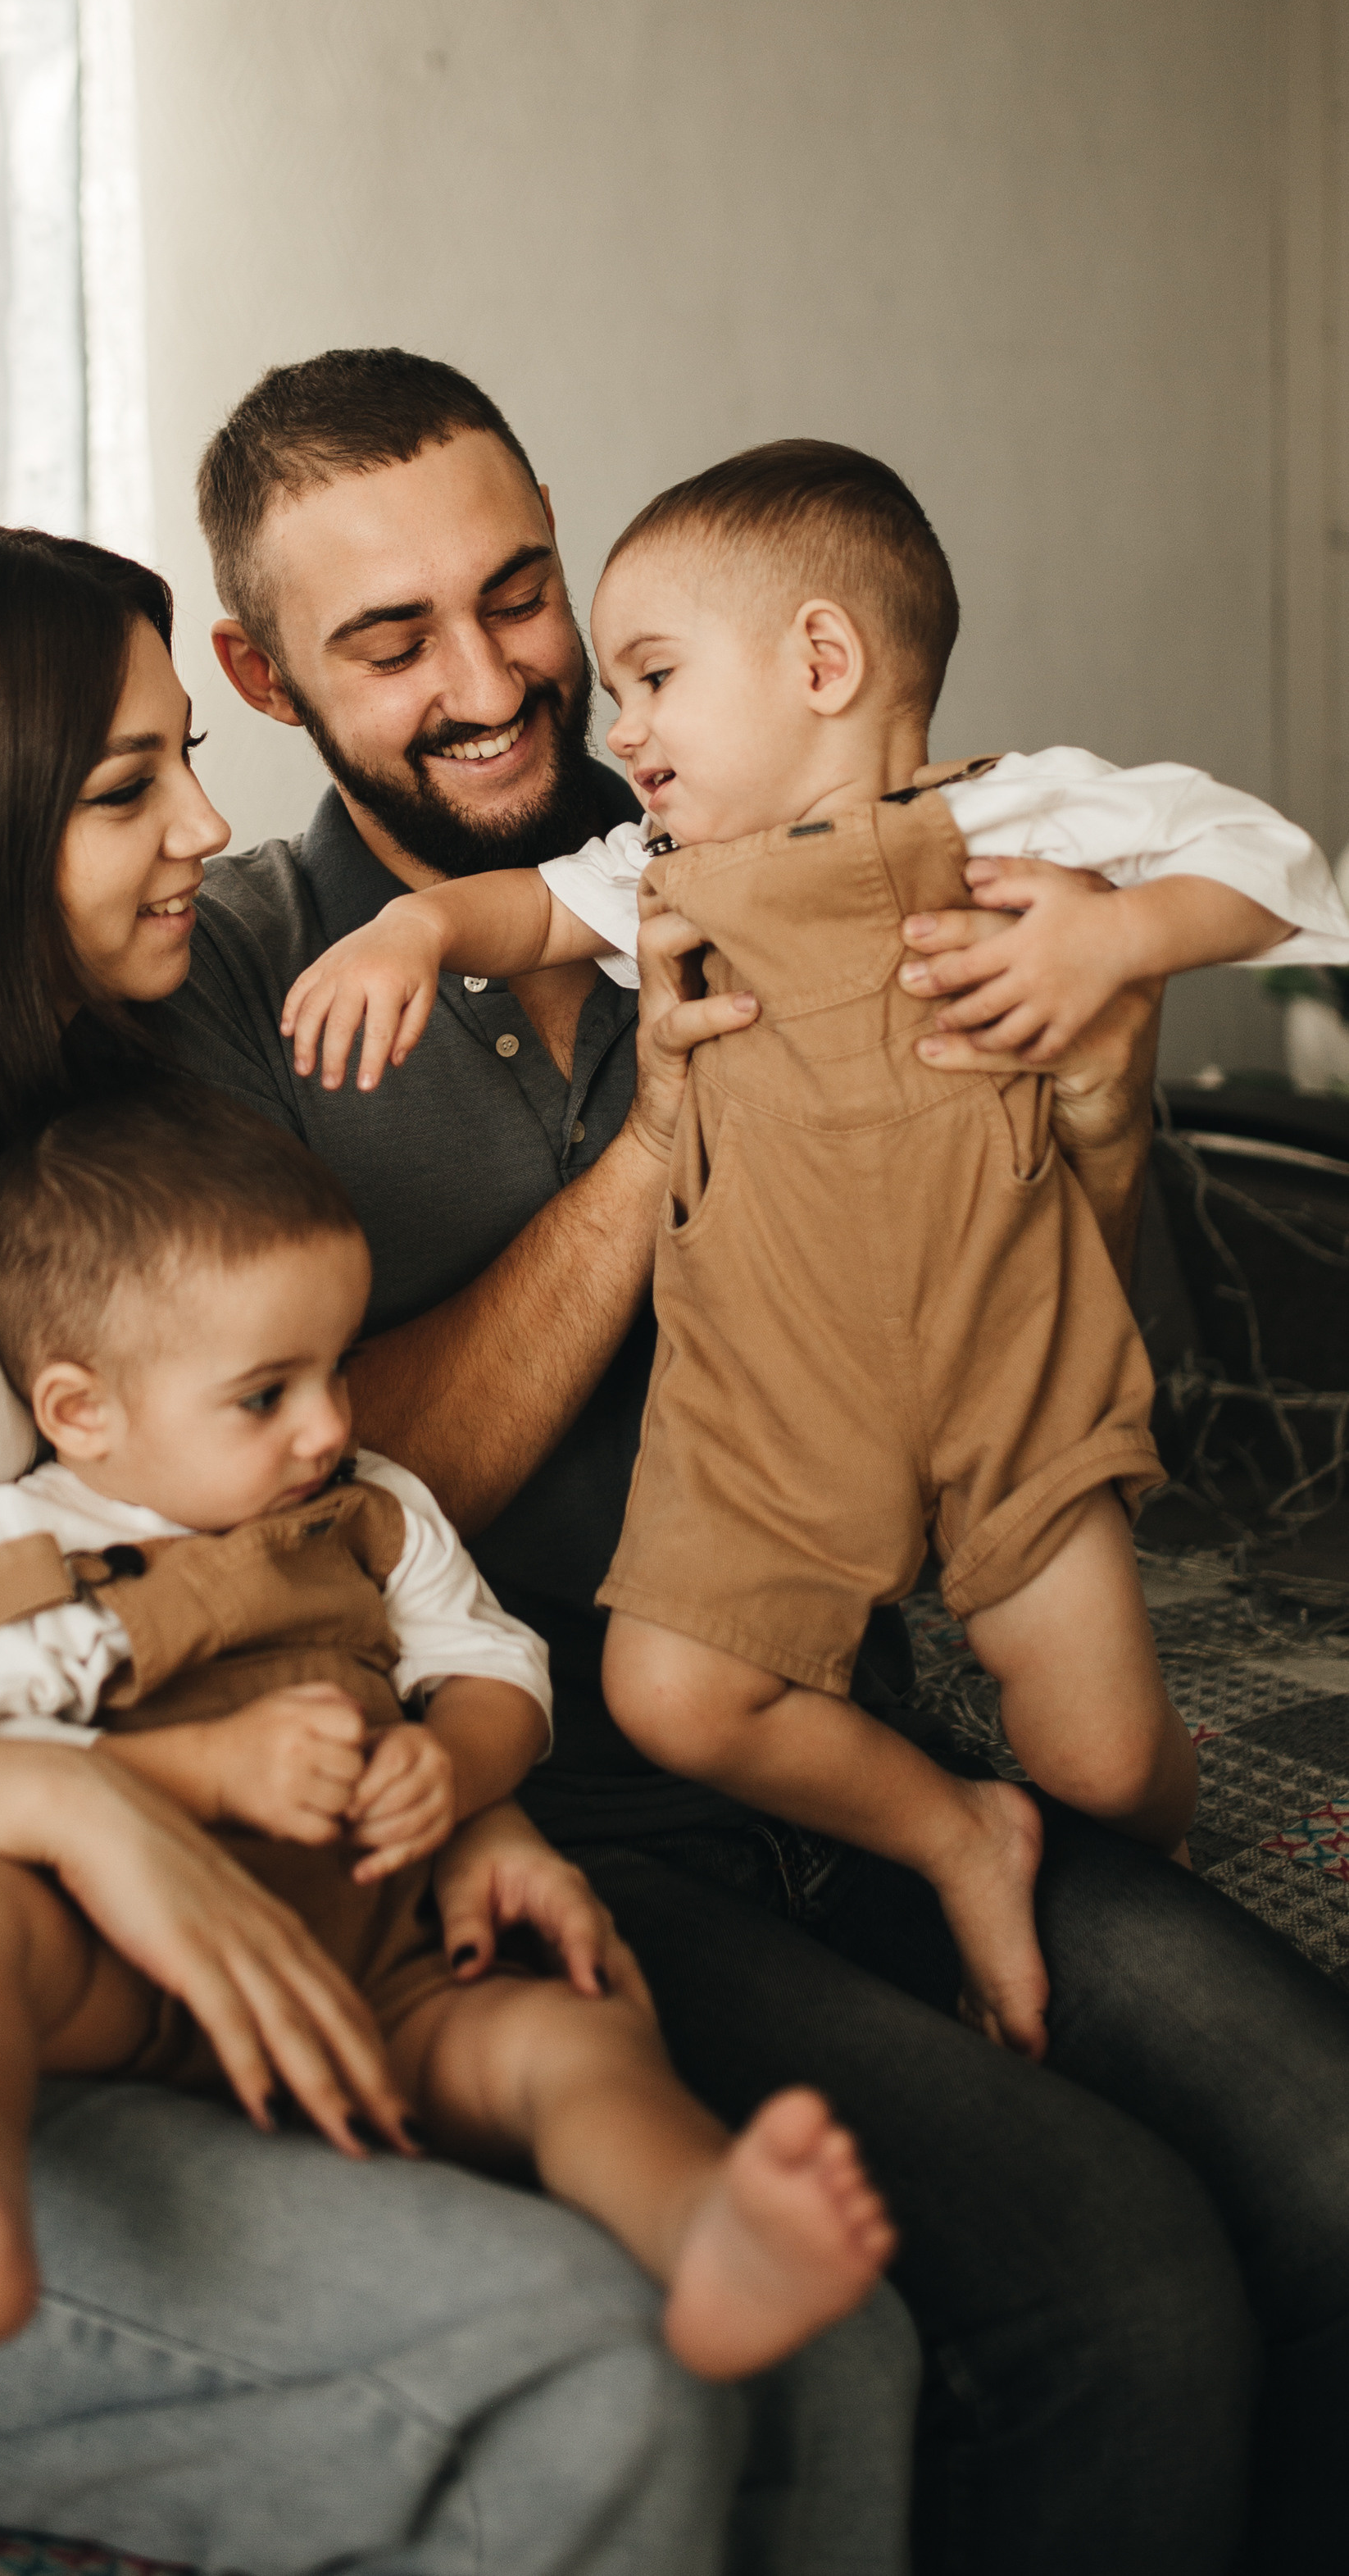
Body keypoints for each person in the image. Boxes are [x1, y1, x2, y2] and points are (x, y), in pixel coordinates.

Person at [0, 517, 917, 2576]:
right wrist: (74, 1809)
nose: (211, 824)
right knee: (569, 2356)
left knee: (827, 2348)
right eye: (131, 785)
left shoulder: (42, 1179)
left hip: (85, 1937)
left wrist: (443, 1788)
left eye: (188, 759)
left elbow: (270, 1559)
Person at [152, 345, 1349, 2576]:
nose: (509, 684)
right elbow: (289, 1486)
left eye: (521, 595)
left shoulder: (743, 829)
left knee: (1332, 2164)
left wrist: (1093, 1099)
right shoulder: (236, 974)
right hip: (560, 1803)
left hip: (874, 1705)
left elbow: (1070, 1355)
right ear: (255, 668)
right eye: (391, 639)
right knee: (1118, 2289)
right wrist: (648, 1156)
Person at [277, 437, 1349, 2059]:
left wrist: (1120, 939)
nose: (616, 729)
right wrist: (417, 925)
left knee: (1107, 1764)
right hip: (781, 1416)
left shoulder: (1022, 814)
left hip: (1015, 1390)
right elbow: (528, 912)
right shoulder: (661, 874)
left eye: (648, 676)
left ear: (824, 663)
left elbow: (1278, 868)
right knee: (677, 1690)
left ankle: (1139, 1843)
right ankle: (945, 1828)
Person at [0, 1081, 896, 2378]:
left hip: (380, 1970)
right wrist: (201, 1768)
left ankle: (702, 2227)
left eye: (336, 1367)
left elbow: (496, 1670)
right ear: (80, 1413)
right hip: (119, 1982)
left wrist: (450, 1766)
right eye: (264, 1394)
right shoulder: (28, 1549)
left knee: (572, 2039)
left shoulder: (371, 1512)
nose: (332, 1423)